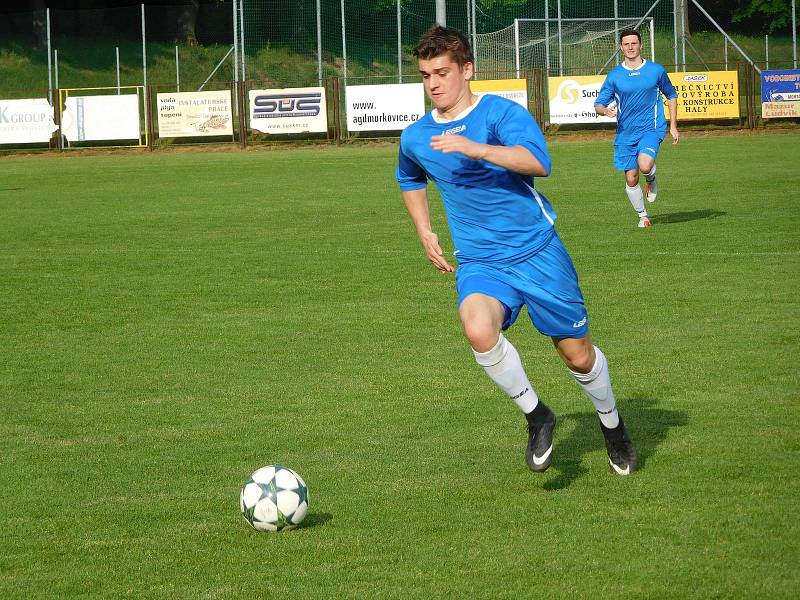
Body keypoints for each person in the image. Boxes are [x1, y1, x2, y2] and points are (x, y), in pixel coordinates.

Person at [396, 25, 638, 476]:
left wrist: (478, 149)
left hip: (537, 252)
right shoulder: (416, 136)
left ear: (467, 70)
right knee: (477, 328)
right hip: (482, 261)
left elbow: (538, 162)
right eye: (426, 74)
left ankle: (612, 424)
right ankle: (537, 415)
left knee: (577, 356)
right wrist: (425, 230)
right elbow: (409, 176)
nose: (433, 83)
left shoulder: (500, 115)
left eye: (442, 72)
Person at [595, 29, 680, 228]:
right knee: (631, 177)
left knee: (644, 165)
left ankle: (650, 177)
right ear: (621, 47)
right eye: (626, 44)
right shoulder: (615, 75)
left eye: (634, 43)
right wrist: (604, 111)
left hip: (651, 128)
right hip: (625, 133)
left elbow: (672, 95)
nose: (630, 47)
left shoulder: (655, 70)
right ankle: (643, 216)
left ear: (641, 45)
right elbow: (598, 103)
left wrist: (673, 126)